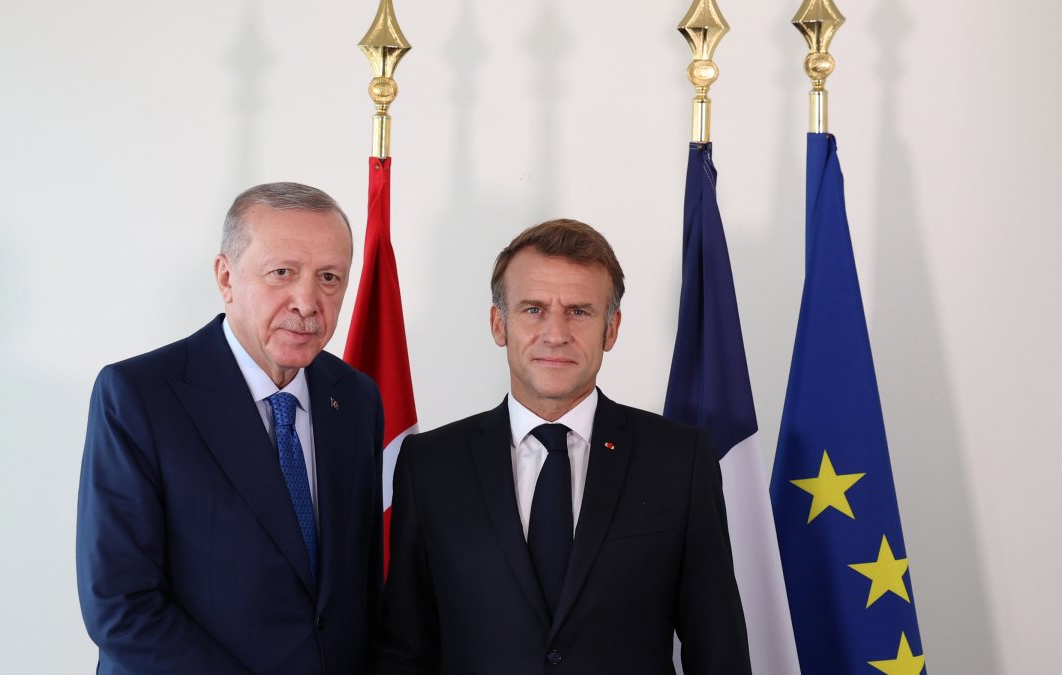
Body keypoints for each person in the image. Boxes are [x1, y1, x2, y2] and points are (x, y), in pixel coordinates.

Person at [373, 219, 751, 674]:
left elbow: (718, 649)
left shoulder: (679, 460)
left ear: (611, 330)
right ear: (499, 324)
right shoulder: (430, 465)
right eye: (533, 309)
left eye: (579, 311)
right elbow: (405, 650)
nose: (555, 333)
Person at [77, 182, 384, 674]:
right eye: (281, 273)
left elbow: (359, 591)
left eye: (329, 277)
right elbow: (121, 606)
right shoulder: (139, 395)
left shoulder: (355, 397)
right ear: (226, 278)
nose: (307, 302)